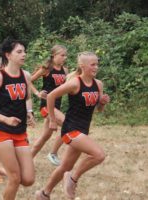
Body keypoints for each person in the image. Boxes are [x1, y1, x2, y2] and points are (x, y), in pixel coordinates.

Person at [35, 52, 110, 200]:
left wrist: (102, 103)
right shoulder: (75, 83)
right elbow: (51, 96)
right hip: (71, 129)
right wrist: (51, 119)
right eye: (92, 64)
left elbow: (98, 110)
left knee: (64, 167)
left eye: (97, 64)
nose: (96, 67)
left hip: (83, 129)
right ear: (82, 66)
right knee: (99, 155)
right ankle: (73, 178)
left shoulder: (98, 84)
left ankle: (44, 194)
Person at [0, 38, 35, 200]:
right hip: (0, 129)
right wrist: (5, 119)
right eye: (19, 52)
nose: (23, 54)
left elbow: (26, 98)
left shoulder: (26, 75)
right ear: (8, 55)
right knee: (15, 178)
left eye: (24, 51)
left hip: (20, 130)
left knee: (29, 179)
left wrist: (29, 113)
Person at [30, 45, 68, 166]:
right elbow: (28, 80)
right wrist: (37, 93)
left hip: (57, 106)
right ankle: (53, 153)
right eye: (62, 55)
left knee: (44, 137)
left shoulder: (65, 70)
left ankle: (27, 161)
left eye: (65, 55)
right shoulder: (46, 69)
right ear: (54, 55)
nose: (64, 58)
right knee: (69, 125)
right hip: (46, 105)